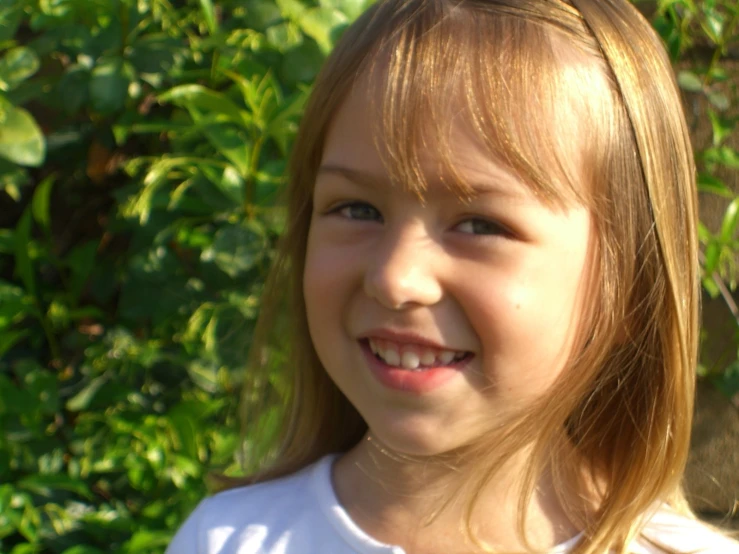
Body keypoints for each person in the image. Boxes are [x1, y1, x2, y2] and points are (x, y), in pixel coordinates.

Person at [165, 0, 739, 552]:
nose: (396, 279)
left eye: (480, 224)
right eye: (357, 209)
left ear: (627, 290)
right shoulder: (227, 541)